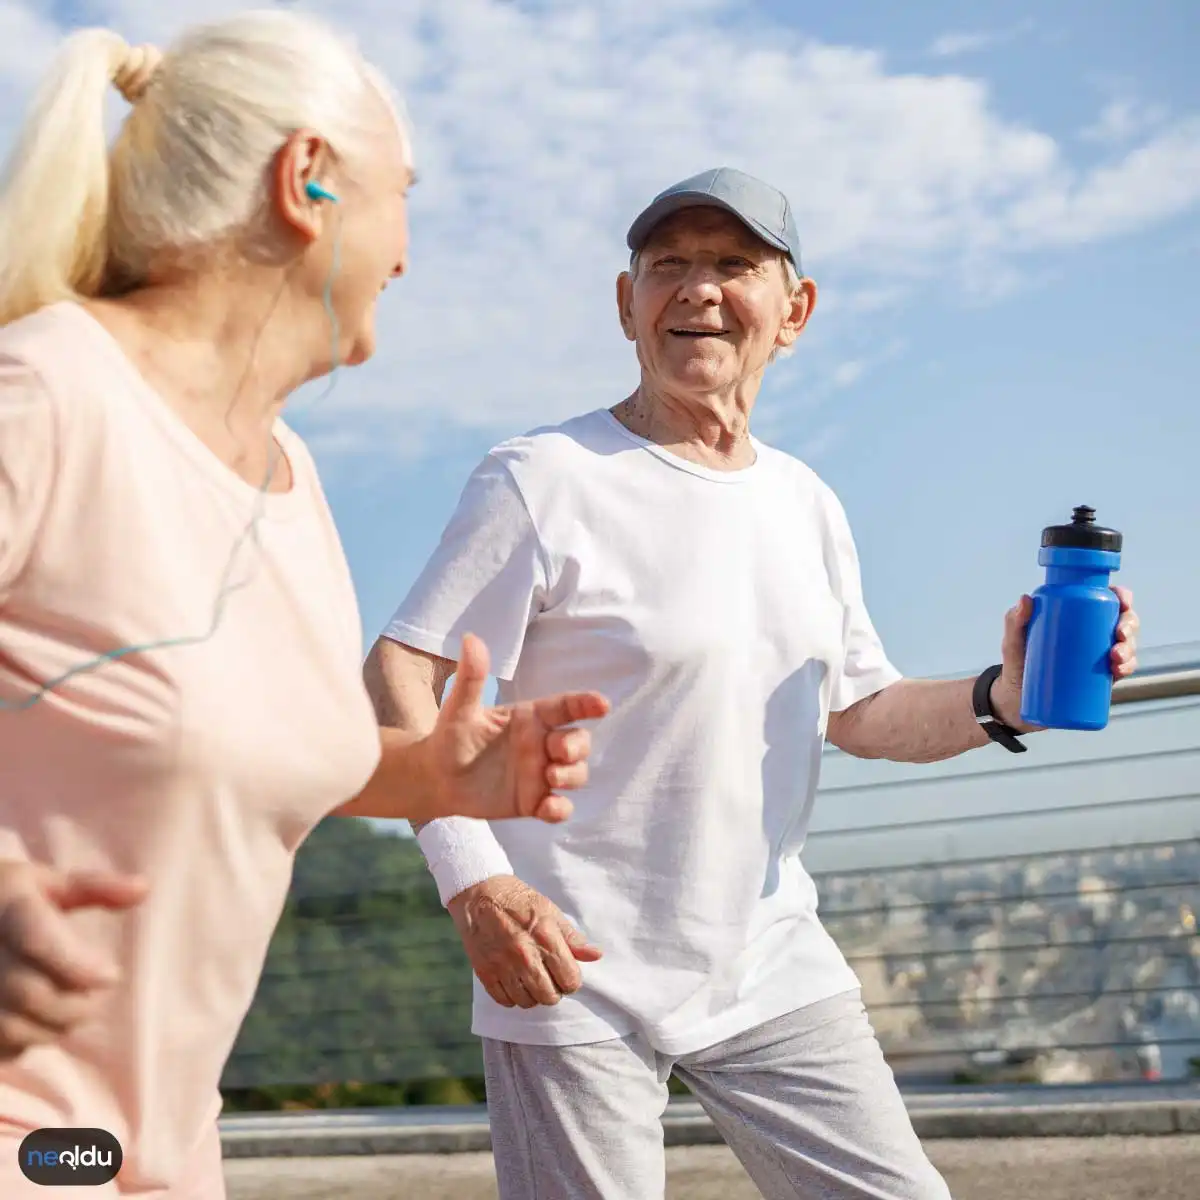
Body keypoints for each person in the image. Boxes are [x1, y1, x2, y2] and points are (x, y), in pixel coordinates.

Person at [366, 166, 1142, 1199]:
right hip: (569, 966)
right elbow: (401, 673)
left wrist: (1004, 695)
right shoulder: (543, 479)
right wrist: (478, 884)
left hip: (767, 960)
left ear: (795, 310)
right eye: (668, 266)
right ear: (625, 302)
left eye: (735, 265)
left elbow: (860, 712)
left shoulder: (806, 503)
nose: (698, 290)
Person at [0, 12, 608, 1197]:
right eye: (405, 196)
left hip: (149, 1154)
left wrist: (434, 776)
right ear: (308, 181)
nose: (408, 253)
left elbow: (222, 749)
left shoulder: (289, 477)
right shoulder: (45, 400)